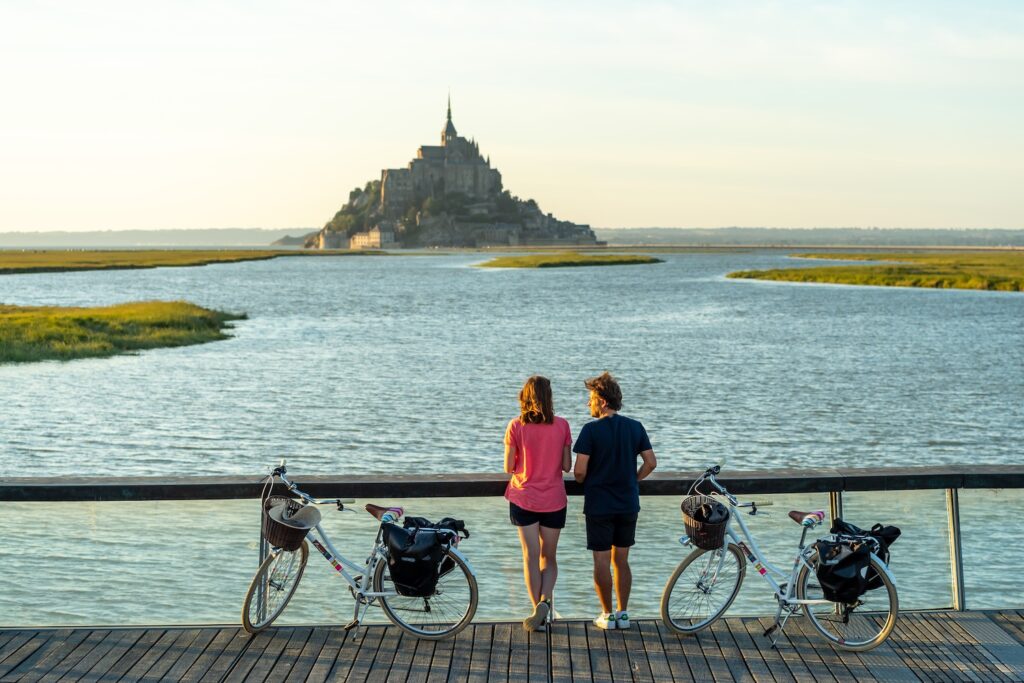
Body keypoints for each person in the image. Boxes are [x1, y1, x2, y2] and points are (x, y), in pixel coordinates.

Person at [573, 371, 657, 630]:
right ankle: (623, 613)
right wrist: (633, 479)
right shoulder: (635, 426)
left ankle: (607, 614)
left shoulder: (590, 430)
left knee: (601, 560)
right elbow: (651, 463)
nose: (588, 404)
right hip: (627, 502)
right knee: (621, 559)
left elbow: (579, 472)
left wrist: (584, 479)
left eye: (590, 399)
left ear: (602, 401)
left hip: (599, 504)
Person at [504, 375, 572, 631]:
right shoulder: (562, 425)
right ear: (549, 397)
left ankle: (538, 612)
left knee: (530, 557)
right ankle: (545, 602)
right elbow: (566, 466)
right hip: (554, 499)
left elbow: (508, 466)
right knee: (549, 558)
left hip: (524, 498)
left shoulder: (515, 426)